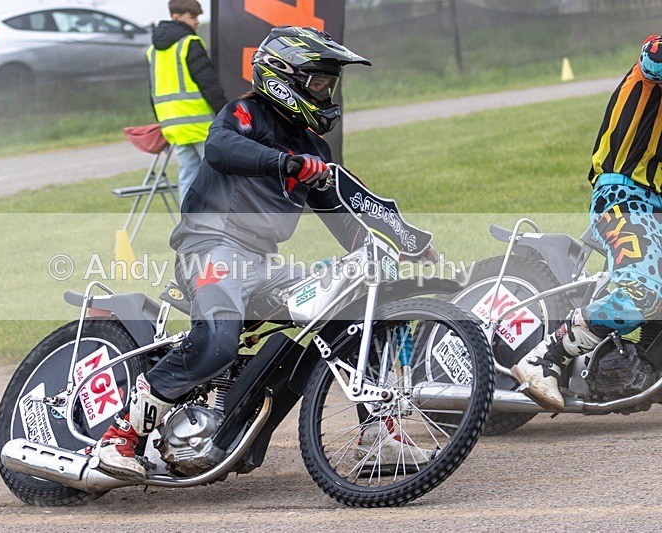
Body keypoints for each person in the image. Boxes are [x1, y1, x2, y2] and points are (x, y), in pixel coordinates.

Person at [94, 26, 432, 480]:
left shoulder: (313, 148)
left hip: (259, 266)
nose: (326, 91)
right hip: (207, 246)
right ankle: (121, 437)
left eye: (329, 83)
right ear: (283, 78)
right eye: (317, 81)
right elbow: (218, 148)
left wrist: (393, 250)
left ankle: (377, 433)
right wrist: (282, 162)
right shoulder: (245, 113)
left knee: (348, 306)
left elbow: (342, 218)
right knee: (218, 339)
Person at [512, 35, 662, 412]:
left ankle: (640, 364)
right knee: (641, 292)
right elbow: (653, 57)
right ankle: (545, 358)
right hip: (624, 195)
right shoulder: (656, 56)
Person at [148, 0, 228, 206]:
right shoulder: (189, 43)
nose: (196, 22)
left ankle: (188, 223)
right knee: (217, 174)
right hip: (200, 123)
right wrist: (226, 113)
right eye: (192, 17)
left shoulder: (152, 50)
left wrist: (162, 121)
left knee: (188, 175)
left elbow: (153, 89)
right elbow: (208, 84)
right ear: (177, 17)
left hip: (173, 125)